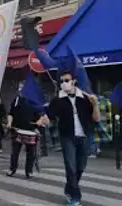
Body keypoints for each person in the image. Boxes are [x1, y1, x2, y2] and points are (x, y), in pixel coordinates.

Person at [40, 71, 99, 206]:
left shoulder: (85, 98)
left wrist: (95, 105)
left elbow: (96, 118)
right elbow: (49, 115)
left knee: (80, 167)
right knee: (71, 167)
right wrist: (44, 119)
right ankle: (75, 196)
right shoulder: (58, 100)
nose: (64, 84)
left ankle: (69, 188)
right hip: (67, 137)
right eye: (61, 81)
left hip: (84, 136)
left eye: (66, 80)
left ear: (74, 81)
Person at [6, 94, 41, 178]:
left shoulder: (35, 101)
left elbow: (40, 115)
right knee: (15, 152)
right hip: (17, 129)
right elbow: (11, 113)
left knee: (31, 153)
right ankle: (12, 169)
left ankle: (29, 171)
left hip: (30, 130)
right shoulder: (17, 100)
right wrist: (9, 122)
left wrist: (39, 122)